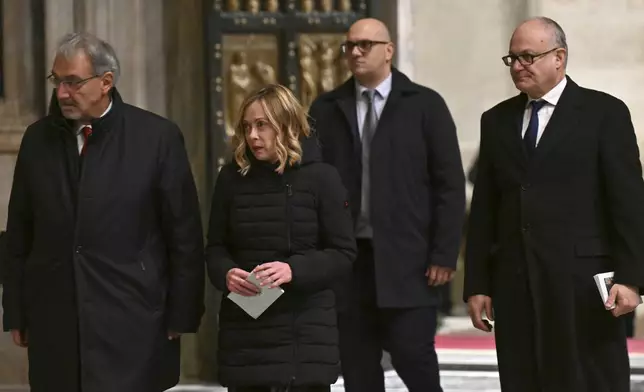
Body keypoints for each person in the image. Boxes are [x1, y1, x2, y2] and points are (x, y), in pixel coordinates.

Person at [1, 32, 205, 392]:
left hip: (133, 320)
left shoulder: (157, 138)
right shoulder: (37, 140)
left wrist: (182, 313)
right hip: (55, 318)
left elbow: (184, 235)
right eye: (56, 81)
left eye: (72, 82)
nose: (61, 92)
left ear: (106, 82)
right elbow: (20, 232)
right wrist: (16, 309)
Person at [464, 17, 644, 392]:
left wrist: (632, 279)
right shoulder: (496, 121)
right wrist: (477, 284)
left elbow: (628, 204)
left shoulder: (604, 114)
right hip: (516, 284)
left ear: (559, 57)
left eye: (527, 56)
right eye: (511, 58)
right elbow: (484, 210)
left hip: (582, 287)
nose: (517, 66)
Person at [308, 18, 466, 392]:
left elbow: (449, 185)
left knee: (415, 357)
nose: (356, 52)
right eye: (350, 46)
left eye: (365, 44)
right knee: (357, 365)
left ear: (389, 50)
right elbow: (312, 183)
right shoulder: (327, 108)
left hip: (408, 259)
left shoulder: (424, 105)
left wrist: (444, 254)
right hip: (348, 261)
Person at [205, 84, 356, 392]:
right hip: (247, 331)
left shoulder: (322, 178)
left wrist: (293, 270)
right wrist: (226, 273)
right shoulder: (232, 178)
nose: (253, 136)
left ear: (286, 125)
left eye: (263, 125)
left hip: (305, 330)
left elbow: (343, 253)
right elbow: (215, 247)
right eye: (247, 126)